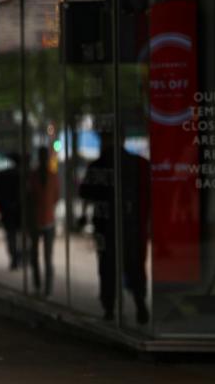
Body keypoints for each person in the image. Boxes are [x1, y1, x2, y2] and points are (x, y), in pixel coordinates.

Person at [79, 131, 150, 324]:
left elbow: (85, 193)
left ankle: (110, 308)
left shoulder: (97, 166)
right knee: (134, 266)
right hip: (131, 226)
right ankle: (139, 304)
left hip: (105, 226)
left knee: (107, 268)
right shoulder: (138, 164)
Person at [26, 146, 60, 296]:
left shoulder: (49, 176)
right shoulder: (37, 176)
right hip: (41, 219)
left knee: (44, 257)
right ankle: (41, 285)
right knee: (38, 256)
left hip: (45, 219)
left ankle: (45, 287)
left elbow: (55, 197)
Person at [0, 152, 23, 270]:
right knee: (18, 235)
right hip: (18, 212)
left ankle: (15, 257)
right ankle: (17, 257)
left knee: (11, 235)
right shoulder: (22, 175)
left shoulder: (1, 175)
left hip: (8, 212)